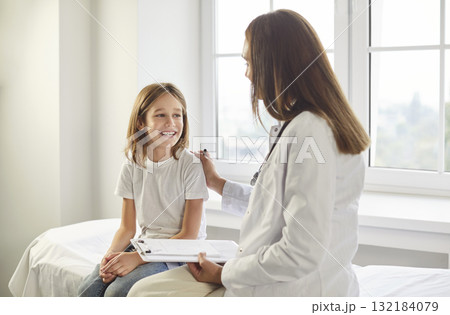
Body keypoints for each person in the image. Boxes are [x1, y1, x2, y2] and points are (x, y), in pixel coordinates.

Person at [127, 9, 370, 297]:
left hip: (291, 291)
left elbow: (301, 252)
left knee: (140, 295)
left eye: (249, 62)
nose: (247, 73)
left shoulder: (309, 131)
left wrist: (225, 272)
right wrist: (217, 183)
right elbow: (275, 208)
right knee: (145, 289)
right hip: (279, 276)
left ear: (274, 65)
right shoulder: (309, 124)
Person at [78, 83, 209, 297]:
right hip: (146, 246)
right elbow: (127, 228)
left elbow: (189, 236)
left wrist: (137, 257)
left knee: (117, 293)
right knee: (88, 289)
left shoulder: (191, 166)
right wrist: (110, 257)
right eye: (160, 115)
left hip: (181, 254)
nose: (171, 123)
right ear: (141, 122)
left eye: (178, 115)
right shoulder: (132, 165)